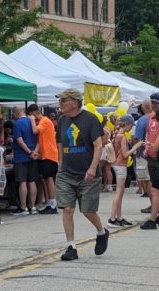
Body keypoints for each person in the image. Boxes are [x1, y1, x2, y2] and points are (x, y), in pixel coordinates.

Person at [54, 88, 109, 262]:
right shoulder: (62, 120)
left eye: (64, 100)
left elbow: (98, 145)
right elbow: (61, 144)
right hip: (66, 173)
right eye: (60, 101)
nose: (60, 104)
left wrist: (92, 168)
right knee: (67, 209)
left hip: (88, 173)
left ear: (75, 102)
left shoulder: (90, 119)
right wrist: (60, 165)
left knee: (88, 210)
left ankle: (101, 232)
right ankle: (71, 246)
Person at [108, 114, 140, 227]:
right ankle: (112, 218)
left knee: (120, 192)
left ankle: (118, 217)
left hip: (117, 164)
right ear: (127, 124)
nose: (131, 128)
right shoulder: (121, 136)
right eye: (131, 126)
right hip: (121, 165)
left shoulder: (116, 134)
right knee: (119, 192)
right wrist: (136, 147)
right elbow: (125, 154)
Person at [10, 105, 39, 215]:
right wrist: (34, 152)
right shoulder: (32, 121)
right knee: (32, 181)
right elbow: (38, 139)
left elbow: (20, 141)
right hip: (33, 156)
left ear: (17, 112)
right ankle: (33, 207)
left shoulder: (17, 124)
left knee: (22, 181)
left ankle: (23, 208)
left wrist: (28, 152)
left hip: (21, 156)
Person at [31, 105, 59, 215]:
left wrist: (33, 120)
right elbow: (40, 140)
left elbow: (35, 131)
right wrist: (36, 151)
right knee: (47, 179)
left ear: (34, 114)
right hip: (45, 155)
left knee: (49, 179)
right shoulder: (43, 122)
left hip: (49, 155)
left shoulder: (44, 121)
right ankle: (50, 203)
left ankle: (53, 205)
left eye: (32, 116)